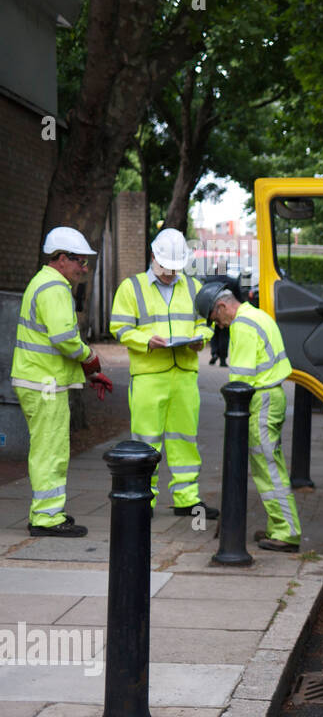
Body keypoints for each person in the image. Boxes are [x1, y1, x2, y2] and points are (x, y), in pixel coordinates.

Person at [10, 227, 113, 537]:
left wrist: (88, 374)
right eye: (80, 261)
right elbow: (64, 339)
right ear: (62, 258)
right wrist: (90, 357)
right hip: (44, 383)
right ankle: (46, 517)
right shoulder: (54, 288)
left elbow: (51, 342)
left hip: (39, 379)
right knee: (50, 450)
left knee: (48, 448)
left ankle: (48, 512)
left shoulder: (43, 283)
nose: (84, 268)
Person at [109, 228, 218, 519]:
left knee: (185, 440)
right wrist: (146, 341)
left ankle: (187, 498)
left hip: (184, 373)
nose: (170, 273)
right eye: (166, 267)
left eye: (175, 267)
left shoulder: (194, 287)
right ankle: (145, 499)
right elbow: (119, 328)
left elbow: (207, 323)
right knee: (146, 441)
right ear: (153, 256)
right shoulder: (131, 288)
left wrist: (200, 337)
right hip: (148, 374)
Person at [194, 282, 301, 552]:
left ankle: (286, 531)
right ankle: (278, 526)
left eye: (215, 318)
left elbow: (239, 382)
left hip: (261, 401)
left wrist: (233, 416)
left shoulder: (242, 325)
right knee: (270, 465)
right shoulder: (258, 315)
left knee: (268, 469)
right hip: (272, 396)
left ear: (221, 306)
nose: (218, 325)